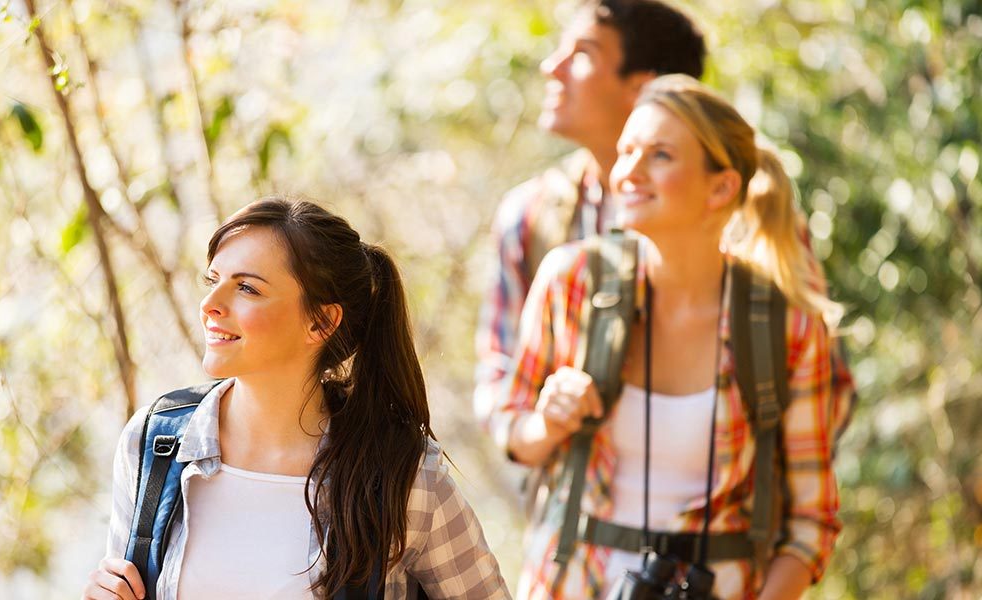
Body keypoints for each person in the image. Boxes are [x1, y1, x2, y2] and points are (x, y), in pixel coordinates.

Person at [497, 76, 843, 599]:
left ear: (721, 187)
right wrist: (547, 421)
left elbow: (810, 523)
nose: (627, 173)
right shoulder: (572, 282)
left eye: (658, 155)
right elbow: (513, 432)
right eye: (626, 151)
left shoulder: (787, 326)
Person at [83, 198, 510, 599]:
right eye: (213, 280)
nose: (210, 305)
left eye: (247, 288)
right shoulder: (156, 443)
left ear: (321, 322)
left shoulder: (404, 476)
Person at [475, 0, 707, 443]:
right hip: (575, 502)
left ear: (642, 89)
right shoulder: (529, 215)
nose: (550, 67)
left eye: (582, 54)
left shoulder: (739, 204)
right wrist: (541, 429)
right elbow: (499, 384)